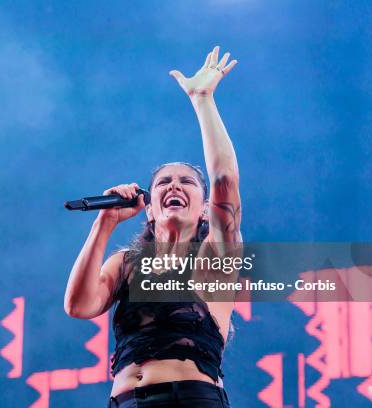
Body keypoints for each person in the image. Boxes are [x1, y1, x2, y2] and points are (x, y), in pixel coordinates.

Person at [64, 46, 241, 407]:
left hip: (190, 399)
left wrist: (202, 99)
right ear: (149, 209)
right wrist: (105, 223)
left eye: (186, 182)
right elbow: (79, 306)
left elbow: (224, 178)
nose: (174, 186)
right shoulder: (127, 263)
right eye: (164, 182)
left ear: (205, 209)